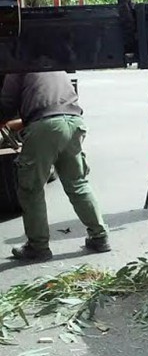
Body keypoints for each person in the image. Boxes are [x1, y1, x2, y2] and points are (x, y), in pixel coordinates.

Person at [0, 72, 111, 261]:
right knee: (77, 184)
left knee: (31, 189)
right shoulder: (55, 63)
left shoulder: (19, 63)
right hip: (73, 122)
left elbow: (7, 105)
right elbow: (51, 109)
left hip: (46, 126)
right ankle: (100, 237)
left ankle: (38, 247)